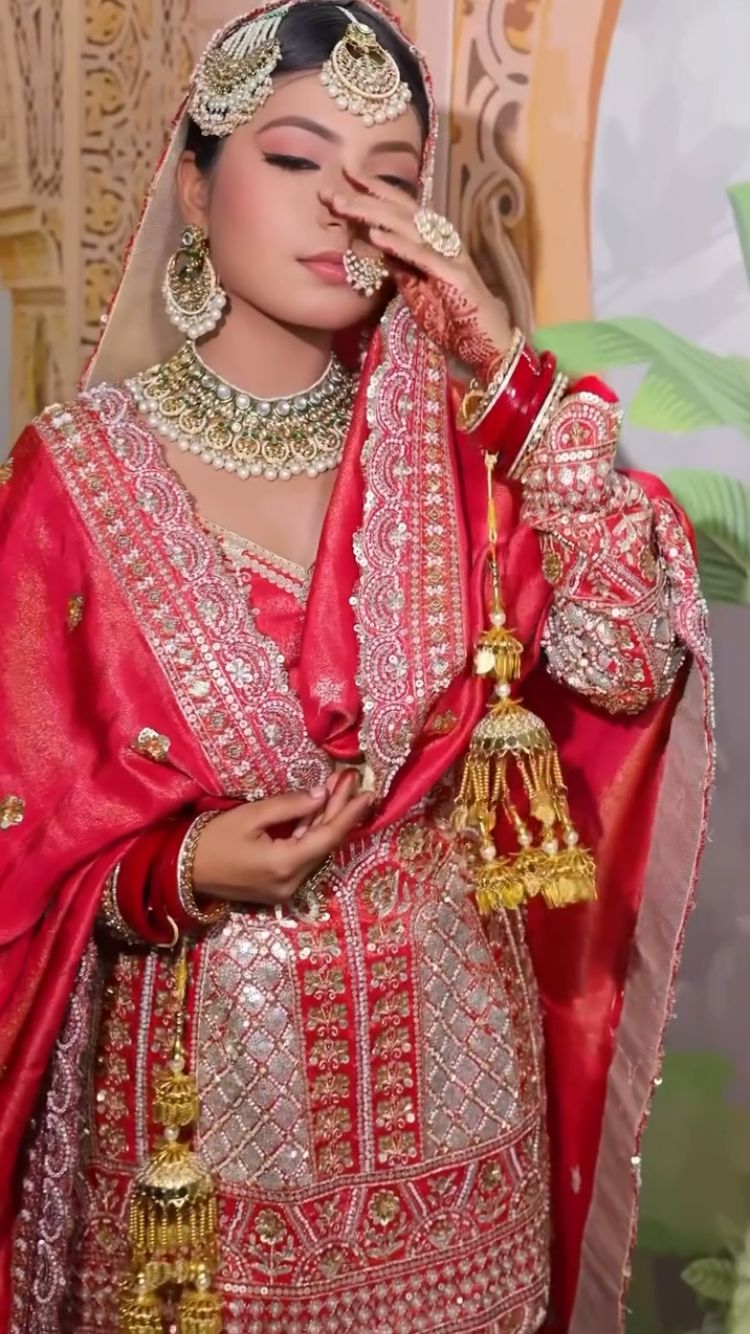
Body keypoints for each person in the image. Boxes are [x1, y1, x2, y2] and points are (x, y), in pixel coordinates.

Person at [0, 3, 713, 1331]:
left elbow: (623, 661)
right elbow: (16, 832)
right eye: (293, 158)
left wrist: (498, 365)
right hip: (197, 1161)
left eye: (386, 177)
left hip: (465, 1138)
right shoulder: (75, 478)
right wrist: (175, 872)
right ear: (195, 188)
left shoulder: (457, 456)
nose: (342, 207)